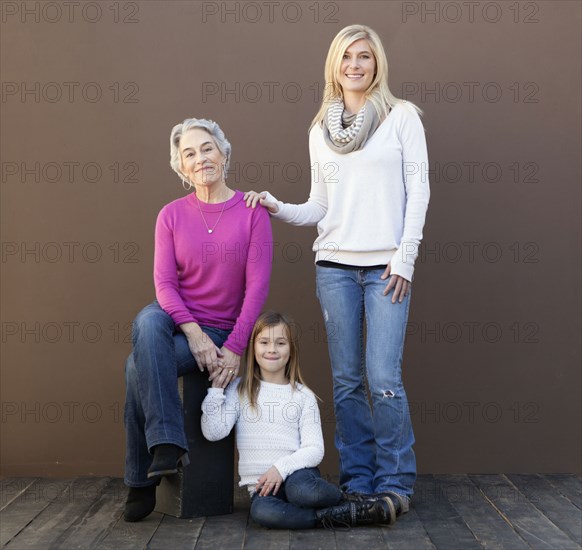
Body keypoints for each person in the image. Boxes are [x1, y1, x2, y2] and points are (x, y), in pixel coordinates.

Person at [244, 24, 430, 517]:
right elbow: (319, 206)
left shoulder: (402, 117)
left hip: (387, 267)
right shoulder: (319, 130)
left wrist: (405, 256)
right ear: (334, 64)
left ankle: (395, 484)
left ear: (377, 64)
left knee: (383, 377)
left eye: (364, 56)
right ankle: (359, 481)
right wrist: (277, 205)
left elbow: (419, 192)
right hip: (334, 267)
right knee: (347, 381)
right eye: (346, 56)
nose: (355, 64)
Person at [123, 118, 273, 522]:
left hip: (220, 326)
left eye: (207, 148)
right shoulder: (170, 215)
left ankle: (142, 477)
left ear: (223, 153)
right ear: (182, 168)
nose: (200, 158)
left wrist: (234, 347)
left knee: (135, 364)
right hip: (175, 317)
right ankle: (167, 445)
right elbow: (164, 284)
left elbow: (257, 289)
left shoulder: (251, 212)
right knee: (149, 321)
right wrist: (192, 334)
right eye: (189, 153)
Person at [201, 311, 397, 529]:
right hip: (263, 488)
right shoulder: (240, 389)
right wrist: (216, 391)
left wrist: (280, 468)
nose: (272, 349)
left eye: (280, 343)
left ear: (291, 350)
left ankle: (349, 501)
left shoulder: (303, 396)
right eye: (264, 342)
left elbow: (314, 449)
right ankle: (343, 515)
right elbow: (214, 431)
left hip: (297, 475)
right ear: (253, 348)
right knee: (262, 512)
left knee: (303, 493)